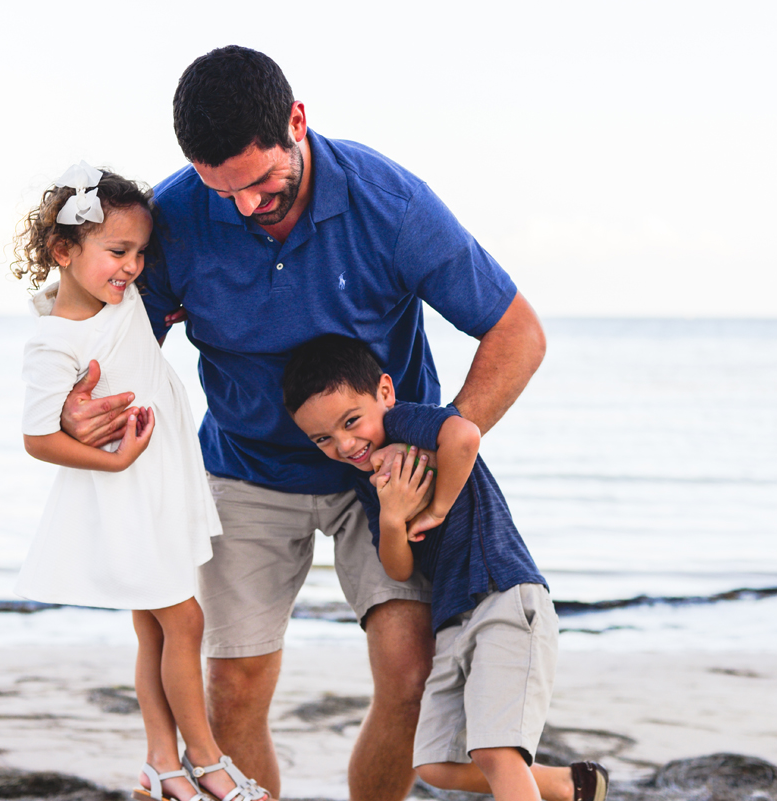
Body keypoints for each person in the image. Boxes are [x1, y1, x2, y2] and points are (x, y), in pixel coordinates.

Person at [58, 47, 590, 801]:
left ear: (296, 123)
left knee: (408, 671)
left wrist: (446, 439)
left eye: (261, 181)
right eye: (223, 191)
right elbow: (112, 337)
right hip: (244, 468)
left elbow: (518, 332)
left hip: (379, 471)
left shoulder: (390, 205)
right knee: (235, 683)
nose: (246, 206)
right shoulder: (176, 214)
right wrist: (81, 404)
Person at [10, 162, 268, 801]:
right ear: (63, 251)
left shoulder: (120, 300)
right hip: (125, 489)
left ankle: (162, 761)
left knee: (155, 628)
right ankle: (206, 761)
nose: (131, 267)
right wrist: (115, 463)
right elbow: (39, 438)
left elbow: (142, 298)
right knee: (184, 622)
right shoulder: (54, 343)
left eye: (140, 253)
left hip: (161, 484)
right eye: (117, 251)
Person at [283, 335, 608, 801]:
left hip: (502, 593)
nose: (346, 443)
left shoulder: (407, 422)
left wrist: (436, 509)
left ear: (385, 394)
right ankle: (572, 786)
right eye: (323, 439)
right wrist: (394, 517)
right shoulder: (367, 481)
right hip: (452, 619)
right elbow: (398, 570)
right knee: (437, 763)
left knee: (497, 752)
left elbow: (464, 435)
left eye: (351, 421)